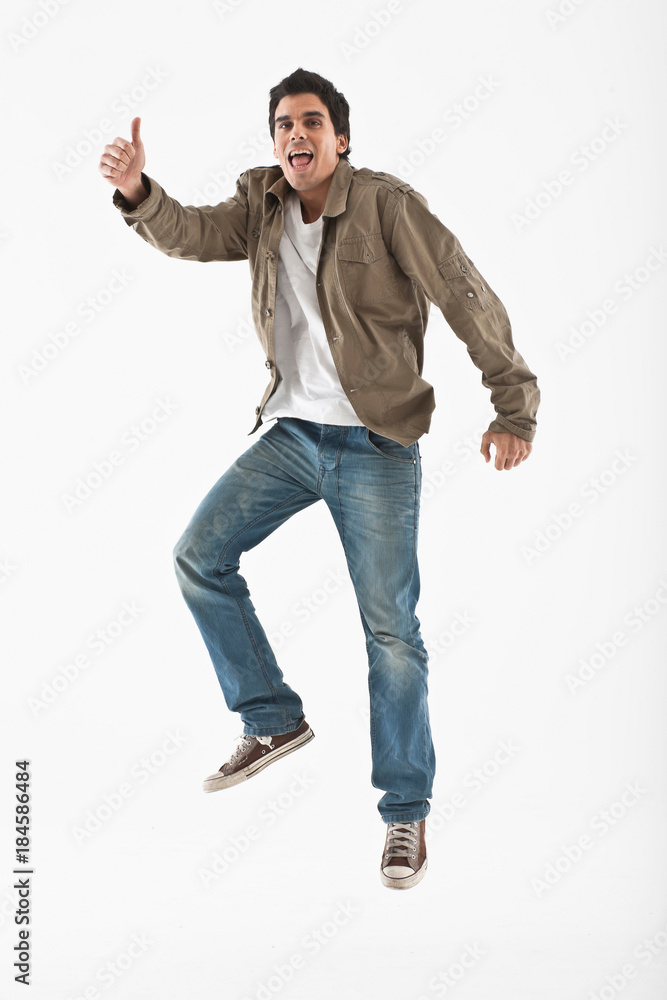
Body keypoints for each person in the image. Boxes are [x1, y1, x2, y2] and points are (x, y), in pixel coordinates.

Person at [98, 67, 540, 891]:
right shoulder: (262, 205)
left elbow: (463, 292)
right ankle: (273, 720)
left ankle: (404, 811)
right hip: (293, 435)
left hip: (375, 446)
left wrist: (512, 407)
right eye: (280, 125)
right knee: (198, 555)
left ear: (340, 136)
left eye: (310, 122)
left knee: (391, 636)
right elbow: (191, 232)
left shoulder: (385, 205)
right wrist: (137, 192)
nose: (293, 136)